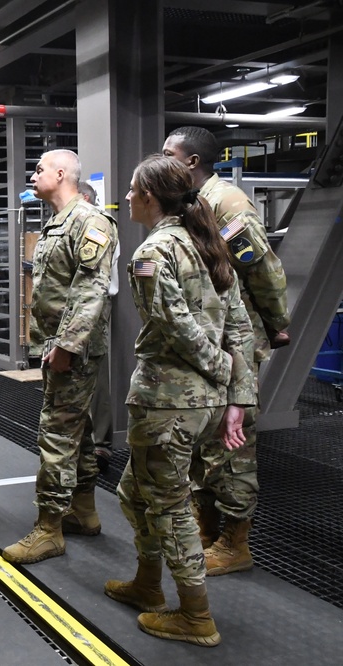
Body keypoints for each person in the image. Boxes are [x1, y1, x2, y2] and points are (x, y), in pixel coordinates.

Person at [105, 154, 256, 647]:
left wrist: (219, 370)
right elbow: (240, 324)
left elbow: (175, 325)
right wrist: (235, 394)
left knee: (169, 505)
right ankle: (148, 585)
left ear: (150, 197)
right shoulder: (206, 243)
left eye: (132, 190)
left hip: (168, 401)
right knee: (134, 492)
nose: (126, 197)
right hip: (203, 403)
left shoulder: (153, 252)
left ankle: (195, 616)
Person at [163, 126, 291, 574]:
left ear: (192, 162)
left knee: (232, 441)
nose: (162, 160)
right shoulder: (187, 205)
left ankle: (235, 541)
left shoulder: (227, 202)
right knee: (202, 437)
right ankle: (206, 526)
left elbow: (262, 269)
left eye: (168, 154)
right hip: (202, 341)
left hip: (234, 339)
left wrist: (276, 325)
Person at [2, 150, 118, 564]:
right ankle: (83, 512)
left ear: (62, 173)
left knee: (55, 434)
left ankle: (49, 528)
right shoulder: (57, 223)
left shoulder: (89, 221)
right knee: (80, 431)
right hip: (57, 346)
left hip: (72, 350)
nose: (32, 175)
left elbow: (91, 290)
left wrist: (67, 347)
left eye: (38, 169)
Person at [78, 180, 117, 475]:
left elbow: (92, 282)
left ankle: (100, 444)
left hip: (94, 308)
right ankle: (82, 441)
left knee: (96, 376)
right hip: (73, 312)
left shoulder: (97, 227)